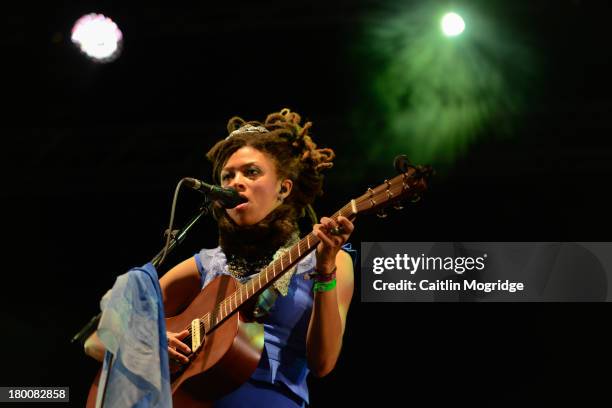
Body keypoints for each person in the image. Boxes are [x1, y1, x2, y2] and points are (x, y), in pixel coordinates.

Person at [85, 108, 355, 407]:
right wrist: (150, 348)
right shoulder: (207, 264)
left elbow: (324, 363)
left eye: (251, 172)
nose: (235, 182)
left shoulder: (324, 257)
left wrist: (326, 270)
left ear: (284, 188)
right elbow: (97, 342)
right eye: (228, 176)